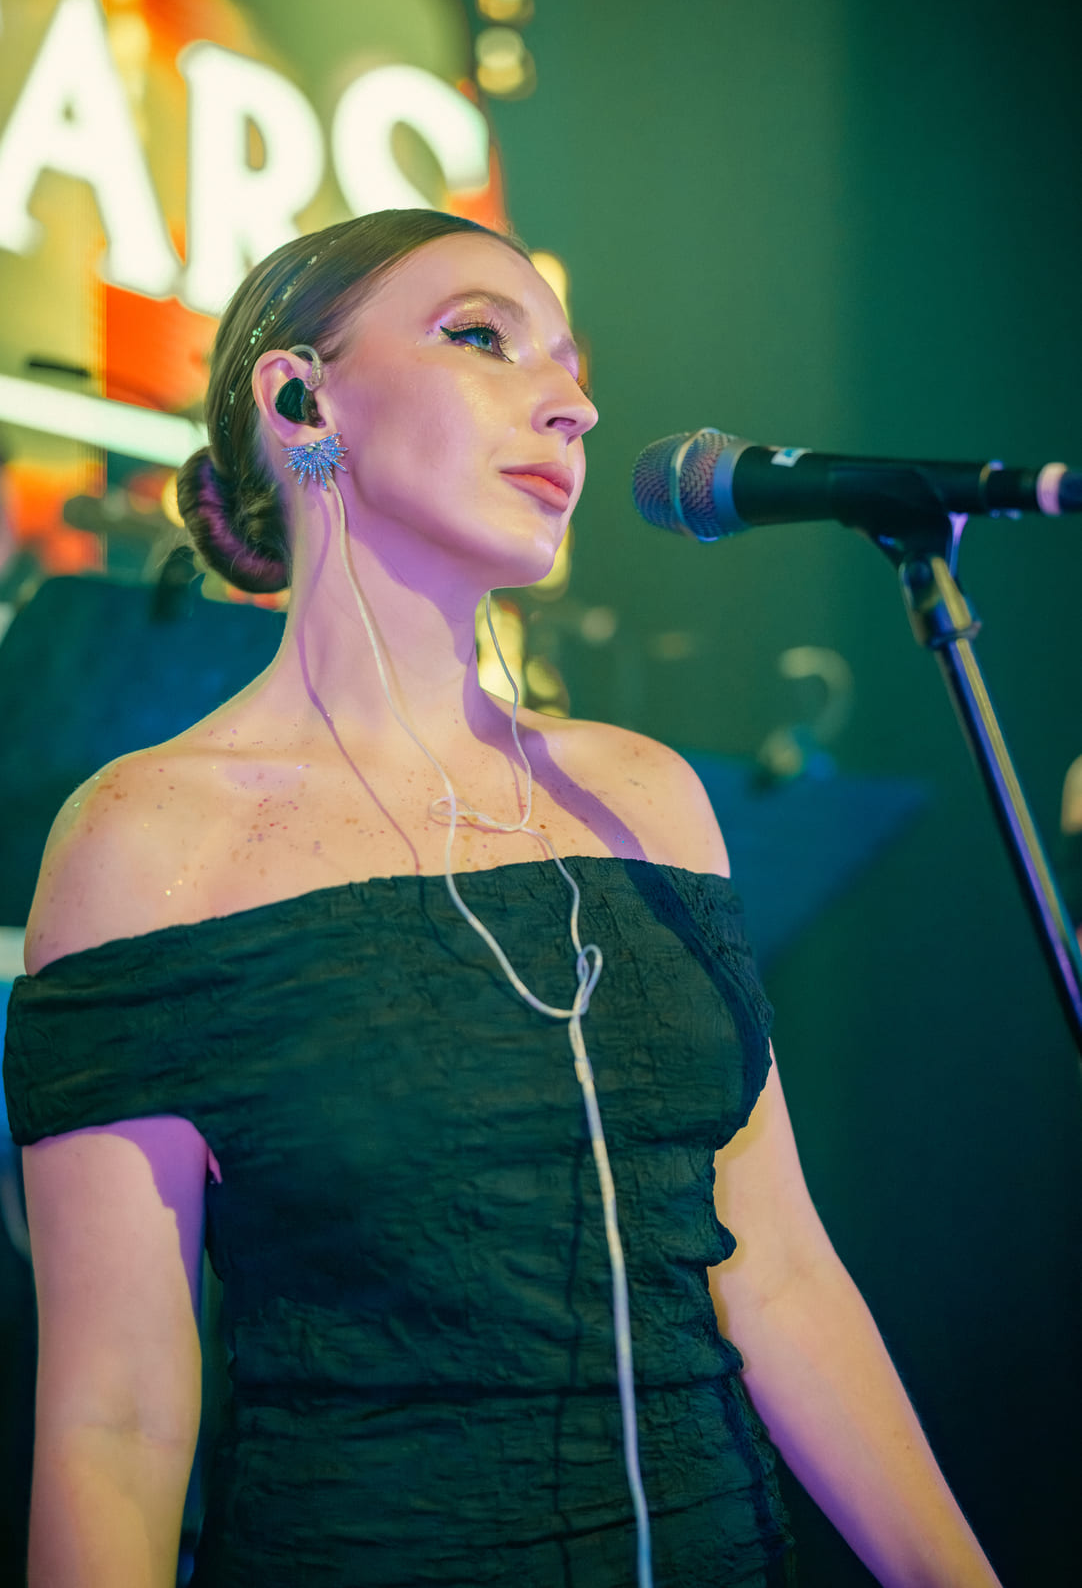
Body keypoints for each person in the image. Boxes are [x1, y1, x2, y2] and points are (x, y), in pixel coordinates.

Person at [3, 209, 1003, 1588]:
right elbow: (114, 1423)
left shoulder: (640, 797)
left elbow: (772, 1272)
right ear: (300, 398)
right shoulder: (147, 837)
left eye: (572, 369)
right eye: (482, 337)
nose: (573, 406)